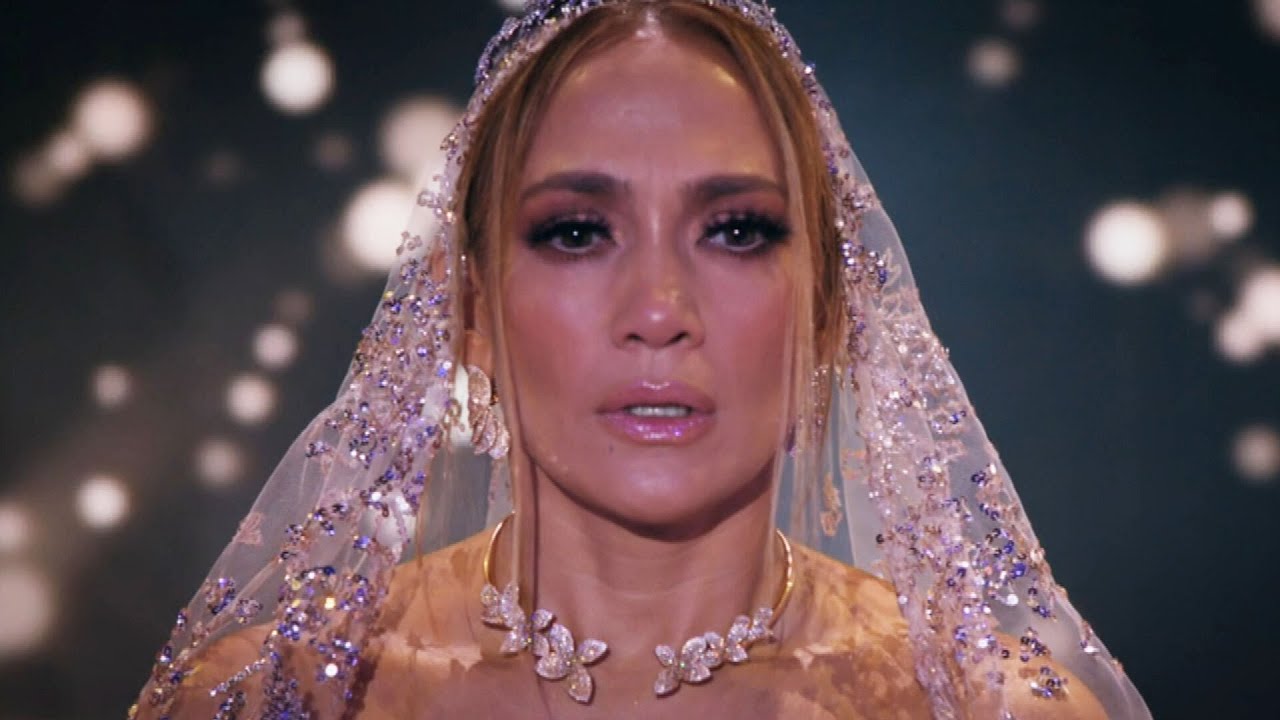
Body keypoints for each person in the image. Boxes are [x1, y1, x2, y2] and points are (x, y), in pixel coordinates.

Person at [131, 1, 1151, 718]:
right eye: (575, 232)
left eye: (737, 231)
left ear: (830, 314)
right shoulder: (280, 699)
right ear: (469, 310)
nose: (659, 311)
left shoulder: (987, 709)